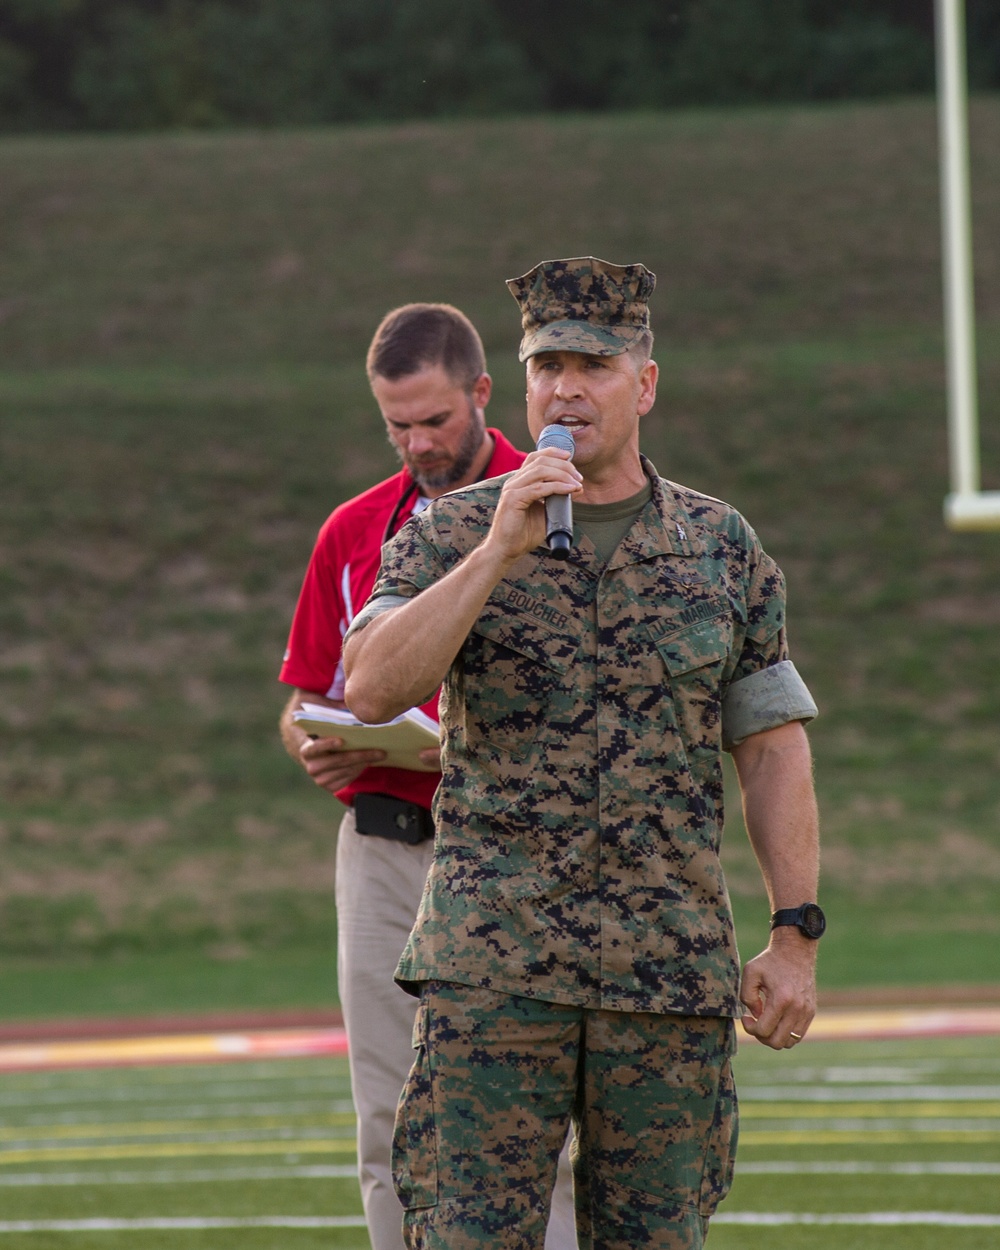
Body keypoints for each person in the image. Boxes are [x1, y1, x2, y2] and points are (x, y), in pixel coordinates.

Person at [342, 257, 823, 1249]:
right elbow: (374, 685)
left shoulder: (719, 547)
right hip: (496, 970)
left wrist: (794, 932)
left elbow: (771, 747)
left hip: (663, 976)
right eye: (546, 363)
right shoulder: (452, 532)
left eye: (593, 364)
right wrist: (494, 554)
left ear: (642, 384)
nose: (566, 387)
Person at [278, 302, 578, 1250]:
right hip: (383, 843)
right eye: (396, 425)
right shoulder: (355, 528)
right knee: (387, 1114)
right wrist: (313, 740)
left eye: (435, 420)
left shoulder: (552, 511)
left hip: (508, 850)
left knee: (540, 1121)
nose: (417, 442)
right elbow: (305, 693)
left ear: (483, 396)